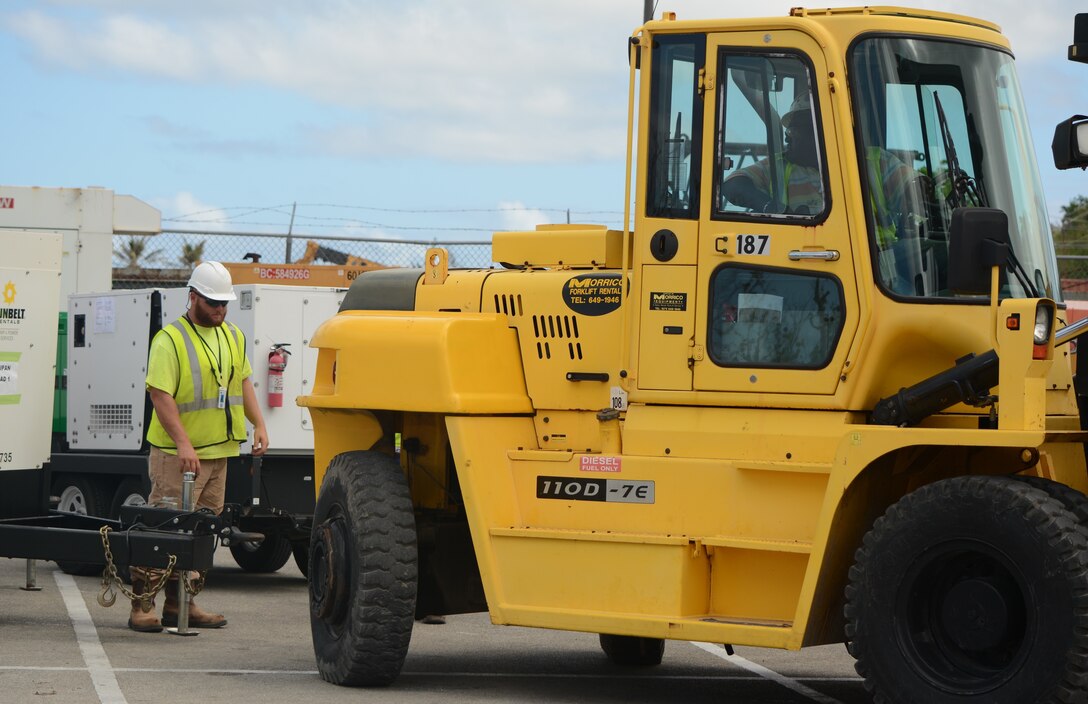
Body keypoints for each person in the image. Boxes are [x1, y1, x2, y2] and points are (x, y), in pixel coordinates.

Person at [128, 261, 269, 633]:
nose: (220, 310)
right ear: (193, 298)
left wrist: (259, 424)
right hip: (178, 457)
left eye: (224, 303)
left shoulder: (233, 336)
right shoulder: (169, 340)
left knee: (202, 534)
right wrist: (184, 444)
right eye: (212, 303)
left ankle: (181, 604)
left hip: (220, 453)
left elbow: (244, 384)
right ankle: (143, 605)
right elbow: (160, 395)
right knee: (164, 530)